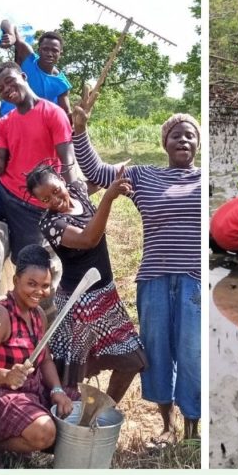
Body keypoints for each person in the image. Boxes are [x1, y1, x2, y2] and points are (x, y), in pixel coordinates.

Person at [72, 103, 201, 445]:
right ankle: (167, 424)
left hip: (195, 280)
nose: (183, 140)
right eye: (176, 135)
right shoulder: (145, 176)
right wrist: (80, 130)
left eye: (190, 135)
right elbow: (98, 173)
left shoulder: (207, 179)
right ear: (165, 143)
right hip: (154, 278)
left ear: (198, 144)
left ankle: (192, 426)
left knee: (192, 351)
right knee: (157, 351)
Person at [25, 162, 146, 403]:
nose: (55, 200)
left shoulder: (78, 191)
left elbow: (97, 174)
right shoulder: (50, 224)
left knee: (132, 359)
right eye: (46, 199)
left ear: (61, 180)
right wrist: (109, 198)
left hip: (105, 296)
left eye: (56, 191)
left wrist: (116, 172)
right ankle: (62, 419)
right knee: (69, 374)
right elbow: (88, 239)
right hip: (77, 303)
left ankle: (101, 412)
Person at [0, 61, 78, 263]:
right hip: (2, 190)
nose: (6, 90)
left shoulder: (53, 113)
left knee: (28, 262)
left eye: (10, 81)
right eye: (0, 88)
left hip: (35, 204)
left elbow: (67, 159)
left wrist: (75, 194)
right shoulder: (4, 122)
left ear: (24, 77)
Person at [0, 245, 74, 465]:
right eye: (31, 284)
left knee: (80, 412)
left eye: (44, 286)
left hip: (29, 393)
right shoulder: (0, 315)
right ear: (15, 280)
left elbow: (46, 360)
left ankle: (27, 432)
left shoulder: (39, 315)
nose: (38, 292)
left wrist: (58, 390)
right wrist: (5, 376)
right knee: (45, 432)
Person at [0, 21, 72, 121]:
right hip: (6, 118)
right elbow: (6, 22)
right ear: (39, 50)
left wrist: (78, 119)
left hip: (30, 125)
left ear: (60, 53)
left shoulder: (62, 84)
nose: (49, 54)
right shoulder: (29, 58)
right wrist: (11, 36)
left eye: (54, 50)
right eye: (45, 49)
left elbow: (66, 113)